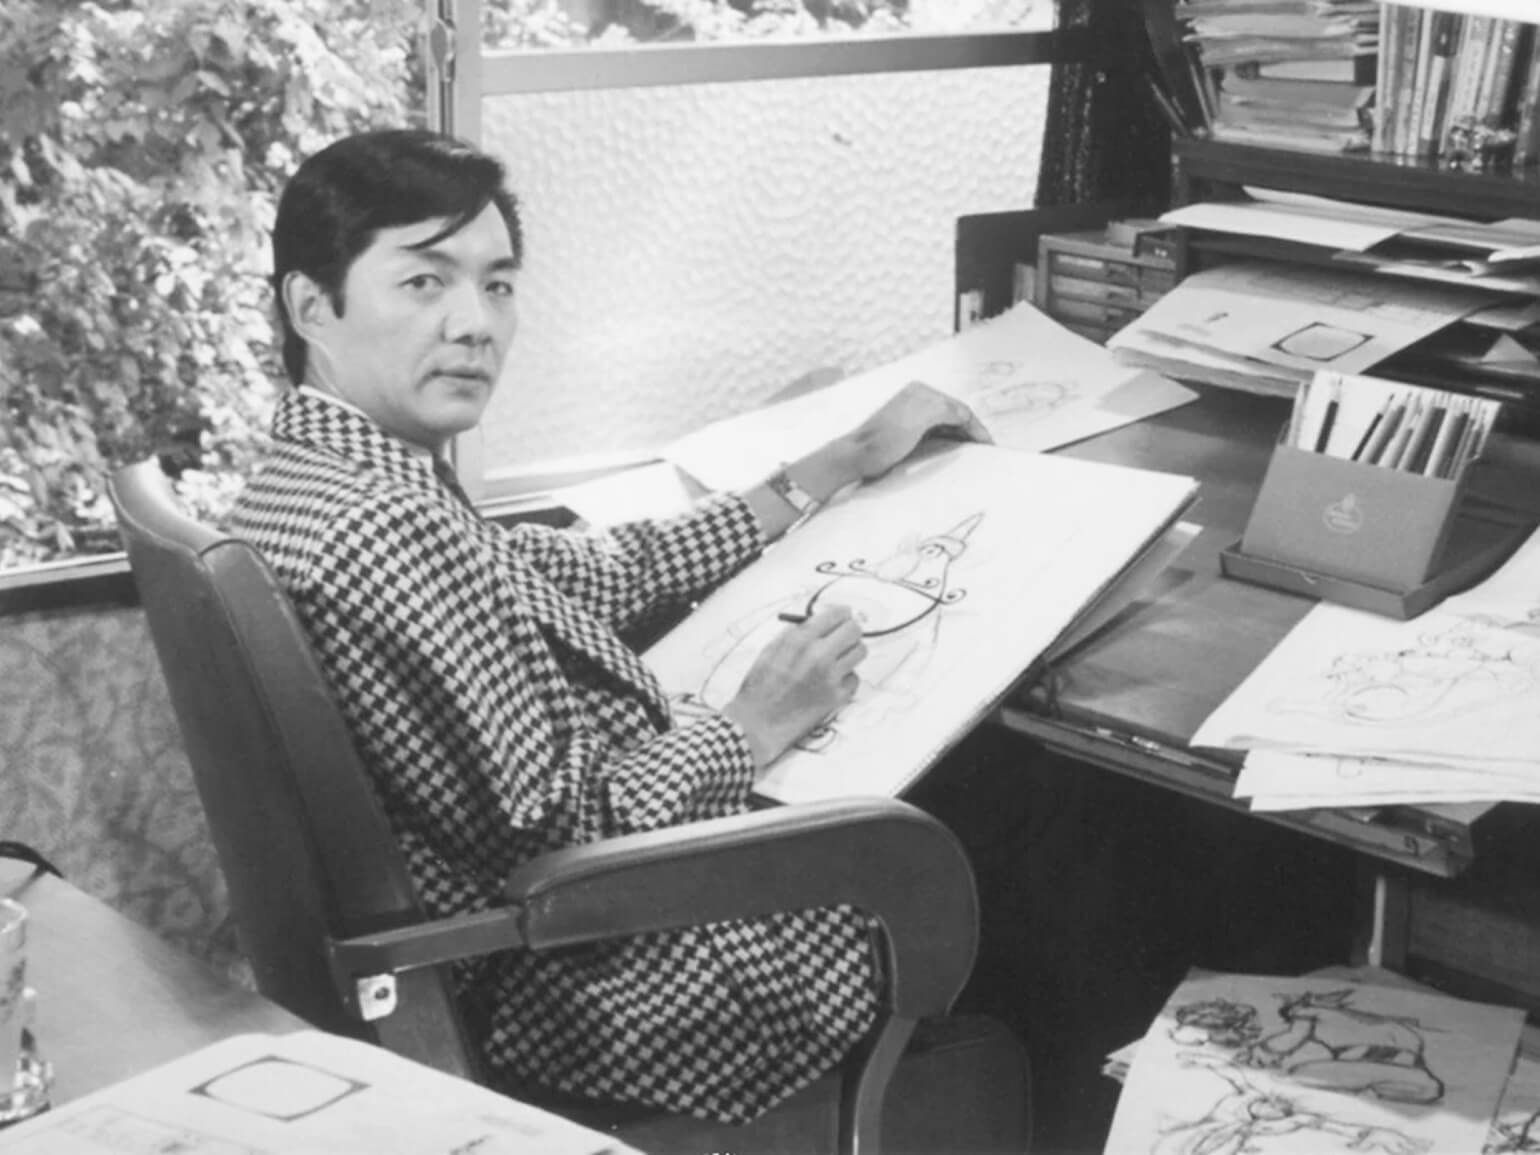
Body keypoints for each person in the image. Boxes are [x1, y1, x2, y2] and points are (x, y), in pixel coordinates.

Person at [227, 127, 991, 1125]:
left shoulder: (317, 481)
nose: (475, 324)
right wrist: (754, 723)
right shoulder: (382, 528)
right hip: (604, 997)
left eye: (498, 284)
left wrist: (835, 462)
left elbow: (593, 571)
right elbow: (569, 847)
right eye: (423, 282)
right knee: (1010, 814)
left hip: (543, 964)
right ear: (309, 306)